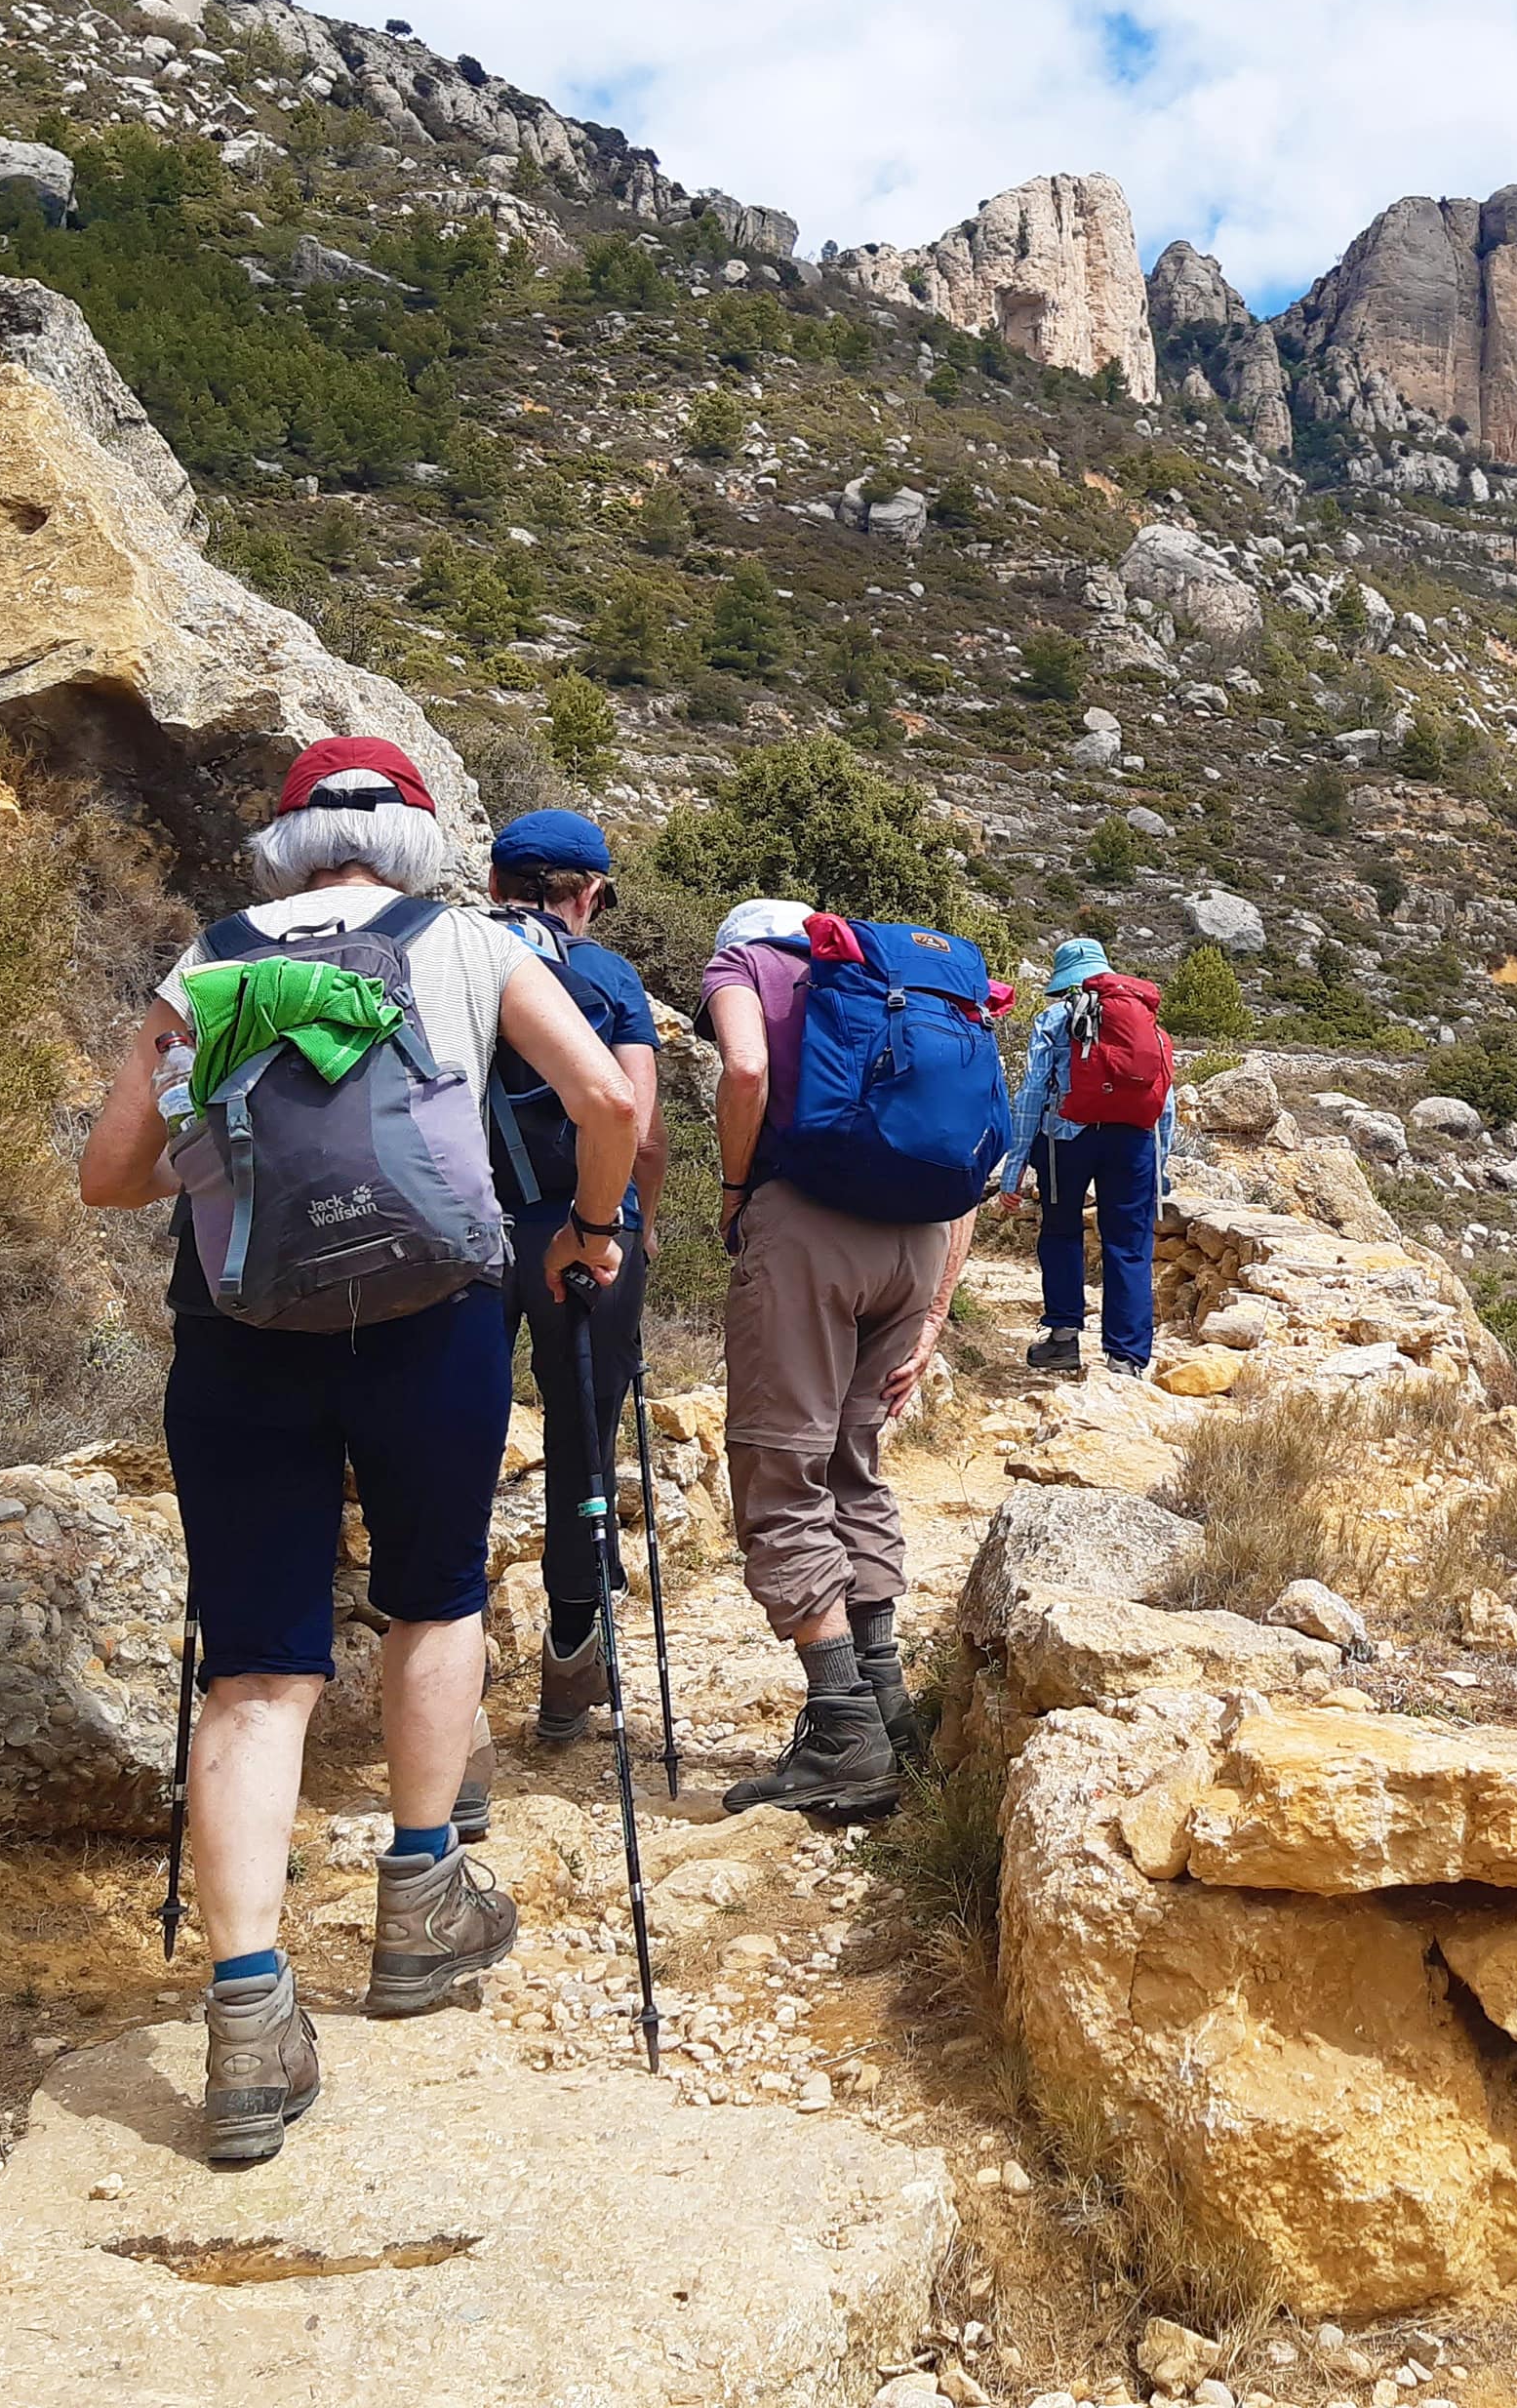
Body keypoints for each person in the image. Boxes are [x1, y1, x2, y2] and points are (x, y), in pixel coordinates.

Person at [79, 737, 637, 2165]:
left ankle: (249, 2016)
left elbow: (109, 1179)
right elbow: (611, 1104)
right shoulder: (462, 945)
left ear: (282, 843)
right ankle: (420, 1903)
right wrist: (586, 1228)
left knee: (259, 1671)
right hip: (432, 1322)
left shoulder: (200, 967)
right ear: (417, 837)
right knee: (434, 1597)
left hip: (239, 1331)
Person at [700, 898, 974, 1817]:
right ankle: (889, 1704)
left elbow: (743, 1067)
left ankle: (840, 1727)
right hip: (918, 1243)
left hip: (810, 1236)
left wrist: (736, 1190)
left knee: (782, 1466)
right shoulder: (913, 994)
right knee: (855, 1462)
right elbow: (965, 1158)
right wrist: (935, 1310)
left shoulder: (746, 969)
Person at [479, 808, 665, 1749]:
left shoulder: (453, 959)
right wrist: (637, 1226)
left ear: (494, 884)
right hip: (585, 1230)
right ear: (587, 893)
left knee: (453, 1439)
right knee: (582, 1441)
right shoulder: (608, 976)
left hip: (465, 1231)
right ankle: (570, 1662)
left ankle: (447, 1685)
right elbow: (641, 1126)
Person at [996, 935, 1175, 1379]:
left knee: (1060, 1232)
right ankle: (1125, 1359)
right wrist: (1160, 1168)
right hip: (1133, 1142)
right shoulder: (1148, 1023)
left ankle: (1063, 1340)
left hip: (1064, 1141)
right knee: (1129, 1245)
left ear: (1063, 980)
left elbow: (1033, 1093)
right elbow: (1163, 1102)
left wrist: (1014, 1167)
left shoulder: (1055, 1019)